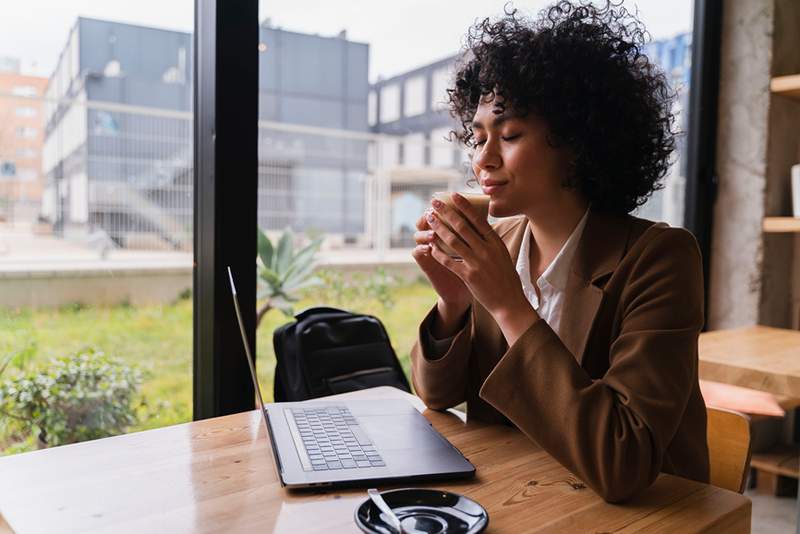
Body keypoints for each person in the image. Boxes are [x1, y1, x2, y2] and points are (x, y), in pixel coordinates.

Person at [410, 0, 709, 503]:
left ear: (577, 141)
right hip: (525, 496)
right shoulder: (498, 244)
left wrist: (507, 304)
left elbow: (624, 461)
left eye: (509, 135)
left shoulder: (660, 259)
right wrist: (453, 304)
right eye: (478, 135)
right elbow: (436, 395)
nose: (483, 156)